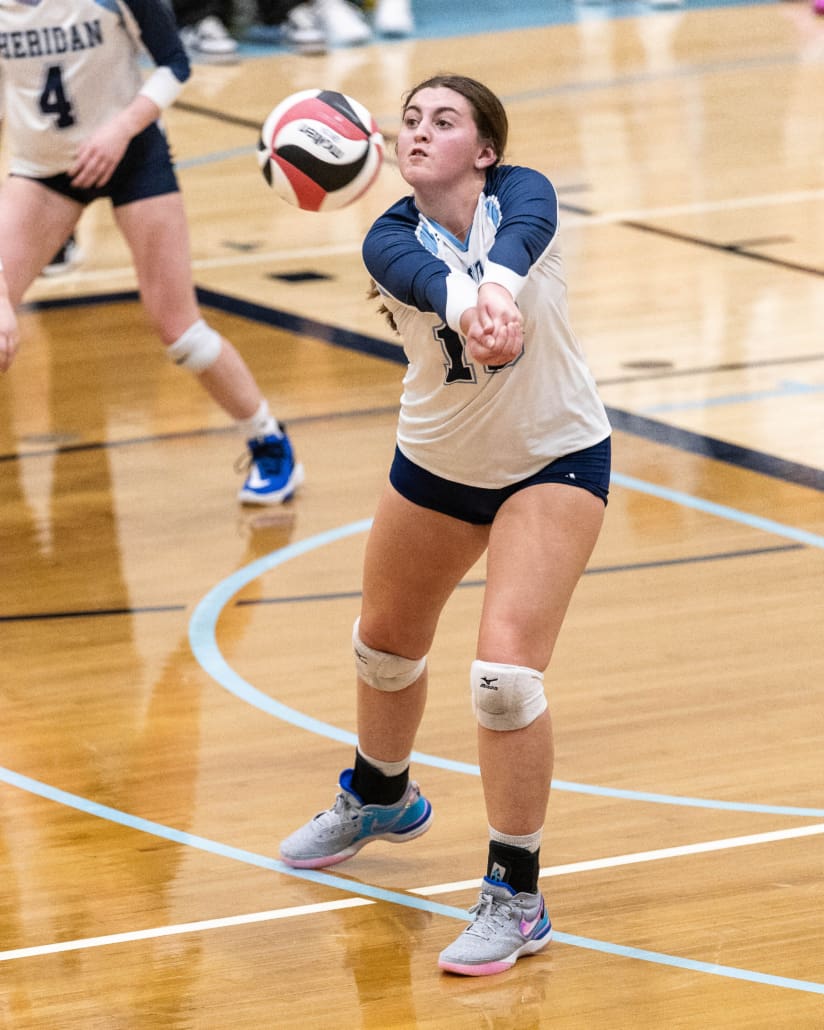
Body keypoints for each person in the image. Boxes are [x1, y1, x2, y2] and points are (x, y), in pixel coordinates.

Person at [279, 74, 611, 976]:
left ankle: (517, 894)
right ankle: (381, 794)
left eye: (445, 121)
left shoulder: (526, 194)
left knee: (504, 676)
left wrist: (496, 288)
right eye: (411, 120)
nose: (419, 132)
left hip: (555, 460)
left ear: (486, 150)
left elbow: (524, 237)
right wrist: (474, 308)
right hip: (435, 464)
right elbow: (427, 280)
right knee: (382, 646)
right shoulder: (386, 238)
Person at [0, 0, 302, 506]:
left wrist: (119, 131)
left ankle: (268, 439)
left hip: (133, 156)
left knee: (180, 331)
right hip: (41, 170)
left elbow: (174, 63)